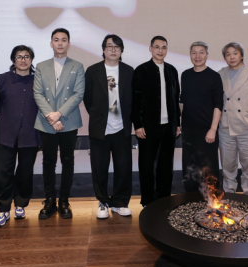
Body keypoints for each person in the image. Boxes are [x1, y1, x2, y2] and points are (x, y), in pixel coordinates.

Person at [33, 28, 85, 219]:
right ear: (51, 43)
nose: (60, 43)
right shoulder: (41, 66)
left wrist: (59, 115)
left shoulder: (77, 66)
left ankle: (64, 200)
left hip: (68, 121)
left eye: (64, 40)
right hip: (47, 122)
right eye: (56, 40)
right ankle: (49, 200)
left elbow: (78, 94)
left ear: (69, 44)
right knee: (48, 161)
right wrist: (51, 116)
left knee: (67, 161)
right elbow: (38, 93)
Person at [84, 34, 134, 219]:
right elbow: (88, 99)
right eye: (109, 46)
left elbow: (133, 99)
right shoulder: (93, 71)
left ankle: (120, 203)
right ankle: (103, 202)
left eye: (117, 47)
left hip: (122, 128)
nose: (113, 50)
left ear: (121, 50)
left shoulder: (129, 71)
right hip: (100, 128)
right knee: (99, 168)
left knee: (123, 167)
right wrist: (99, 116)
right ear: (103, 50)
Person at [0, 45, 41, 227]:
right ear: (13, 60)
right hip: (6, 134)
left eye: (27, 56)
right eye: (19, 57)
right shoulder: (3, 79)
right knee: (3, 172)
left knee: (25, 172)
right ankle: (3, 208)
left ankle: (20, 204)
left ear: (31, 59)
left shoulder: (38, 80)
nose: (23, 60)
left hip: (30, 134)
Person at [131, 36, 181, 207]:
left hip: (169, 127)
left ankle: (164, 200)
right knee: (147, 165)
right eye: (157, 47)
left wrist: (177, 123)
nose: (160, 51)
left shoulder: (172, 70)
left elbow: (175, 98)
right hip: (148, 127)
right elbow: (136, 100)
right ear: (150, 48)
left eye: (163, 47)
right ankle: (148, 201)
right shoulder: (141, 70)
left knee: (166, 165)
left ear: (167, 50)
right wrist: (138, 124)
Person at [217, 42, 248, 196]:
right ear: (225, 57)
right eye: (228, 54)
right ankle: (229, 194)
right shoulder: (220, 74)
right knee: (227, 165)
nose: (232, 57)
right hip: (226, 127)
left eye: (235, 53)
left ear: (241, 55)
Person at [180, 41, 223, 192]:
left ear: (207, 55)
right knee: (190, 169)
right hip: (188, 131)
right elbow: (182, 102)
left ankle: (212, 202)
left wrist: (213, 129)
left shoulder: (214, 76)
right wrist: (180, 124)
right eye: (194, 53)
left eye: (201, 52)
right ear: (190, 55)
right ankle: (191, 200)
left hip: (207, 131)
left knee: (208, 170)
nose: (197, 56)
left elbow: (218, 105)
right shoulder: (185, 75)